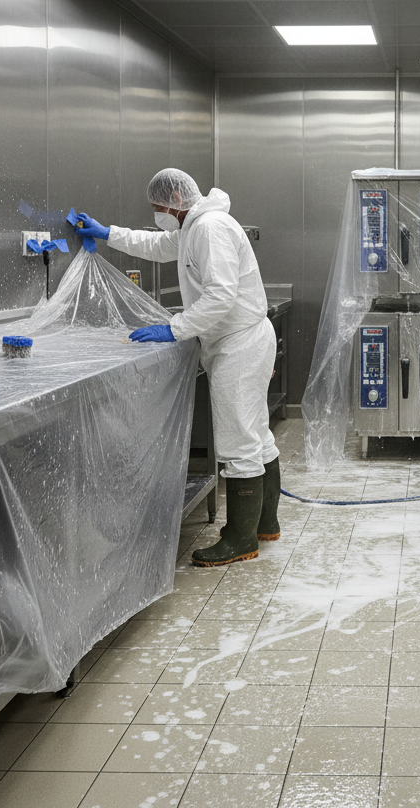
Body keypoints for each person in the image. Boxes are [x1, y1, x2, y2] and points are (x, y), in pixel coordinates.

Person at [73, 168, 281, 567]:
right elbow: (157, 245)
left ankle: (241, 539)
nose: (156, 214)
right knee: (255, 432)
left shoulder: (209, 229)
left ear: (172, 202)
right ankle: (263, 523)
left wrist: (175, 328)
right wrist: (107, 233)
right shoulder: (193, 227)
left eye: (156, 207)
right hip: (238, 339)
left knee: (239, 440)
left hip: (239, 343)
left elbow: (221, 295)